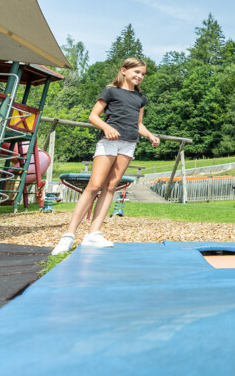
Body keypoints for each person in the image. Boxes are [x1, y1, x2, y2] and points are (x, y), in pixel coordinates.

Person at [51, 58, 160, 255]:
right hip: (108, 142)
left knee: (110, 187)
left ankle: (93, 234)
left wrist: (150, 135)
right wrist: (107, 127)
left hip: (128, 144)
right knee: (94, 186)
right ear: (124, 70)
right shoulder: (110, 91)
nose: (140, 76)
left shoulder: (140, 98)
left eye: (143, 74)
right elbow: (93, 116)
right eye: (136, 72)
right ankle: (68, 236)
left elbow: (138, 123)